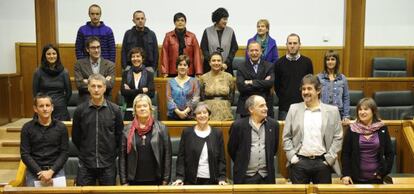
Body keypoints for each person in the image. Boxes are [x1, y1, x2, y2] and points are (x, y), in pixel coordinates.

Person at [283, 74, 342, 184]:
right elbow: (286, 137)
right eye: (303, 89)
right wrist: (292, 157)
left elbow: (338, 137)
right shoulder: (293, 109)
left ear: (318, 90)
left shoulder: (332, 111)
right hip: (299, 162)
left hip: (322, 162)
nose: (305, 92)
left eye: (309, 88)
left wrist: (328, 160)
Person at [72, 74, 124, 186]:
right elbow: (76, 137)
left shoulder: (115, 110)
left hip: (108, 164)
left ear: (105, 88)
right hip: (86, 164)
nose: (96, 89)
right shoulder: (80, 110)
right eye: (93, 86)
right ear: (88, 88)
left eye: (99, 86)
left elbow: (119, 136)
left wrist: (111, 154)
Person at [119, 94, 171, 185]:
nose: (142, 109)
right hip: (133, 180)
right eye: (139, 106)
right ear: (135, 109)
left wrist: (166, 179)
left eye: (145, 106)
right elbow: (122, 157)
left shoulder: (161, 128)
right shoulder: (127, 130)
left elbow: (167, 156)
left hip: (156, 179)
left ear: (150, 108)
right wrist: (123, 181)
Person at [341, 97, 394, 184]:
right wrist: (346, 174)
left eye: (366, 109)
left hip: (377, 179)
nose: (362, 112)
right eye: (360, 109)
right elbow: (345, 154)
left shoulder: (382, 128)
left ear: (373, 111)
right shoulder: (352, 129)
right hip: (355, 179)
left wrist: (383, 173)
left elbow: (390, 153)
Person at [228, 95, 279, 184]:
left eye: (265, 105)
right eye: (261, 106)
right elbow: (232, 149)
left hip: (266, 177)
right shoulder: (238, 126)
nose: (266, 108)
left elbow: (274, 149)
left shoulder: (274, 125)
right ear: (251, 109)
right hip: (245, 177)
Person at [20, 93, 68, 187]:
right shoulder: (27, 128)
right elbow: (25, 154)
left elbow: (64, 153)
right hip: (35, 172)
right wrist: (40, 172)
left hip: (56, 170)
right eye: (41, 106)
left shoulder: (61, 127)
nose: (45, 109)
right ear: (35, 109)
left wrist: (51, 171)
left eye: (47, 105)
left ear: (52, 107)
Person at [172, 103, 227, 185]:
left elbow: (221, 159)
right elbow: (181, 157)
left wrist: (222, 178)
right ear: (195, 116)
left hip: (213, 181)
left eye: (205, 112)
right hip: (191, 181)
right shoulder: (187, 133)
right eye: (199, 113)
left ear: (209, 115)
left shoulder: (217, 133)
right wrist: (180, 177)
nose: (202, 115)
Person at [274, 33, 313, 120]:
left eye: (295, 43)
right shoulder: (279, 63)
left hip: (304, 105)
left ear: (299, 45)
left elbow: (310, 85)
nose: (292, 46)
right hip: (284, 107)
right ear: (286, 45)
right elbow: (277, 86)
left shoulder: (307, 62)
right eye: (290, 43)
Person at [32, 44, 72, 121]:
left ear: (57, 55)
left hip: (60, 109)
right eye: (48, 54)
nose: (51, 56)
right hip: (44, 108)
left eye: (54, 53)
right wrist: (44, 104)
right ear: (44, 56)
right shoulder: (38, 72)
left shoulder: (64, 72)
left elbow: (68, 92)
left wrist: (61, 103)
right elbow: (35, 93)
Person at [236, 41, 274, 118]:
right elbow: (241, 87)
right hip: (246, 107)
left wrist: (251, 82)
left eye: (256, 50)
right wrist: (263, 83)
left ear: (261, 52)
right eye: (251, 50)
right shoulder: (241, 67)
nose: (254, 53)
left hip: (265, 105)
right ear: (248, 52)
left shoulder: (269, 66)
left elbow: (269, 83)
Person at [74, 36, 115, 103]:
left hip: (105, 103)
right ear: (87, 49)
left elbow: (110, 85)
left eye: (98, 47)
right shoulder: (79, 64)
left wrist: (88, 82)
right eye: (93, 48)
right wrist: (104, 80)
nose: (96, 50)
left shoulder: (110, 65)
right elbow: (80, 85)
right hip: (86, 102)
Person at [160, 12, 202, 77]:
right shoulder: (168, 36)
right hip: (173, 70)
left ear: (185, 22)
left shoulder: (192, 36)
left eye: (182, 20)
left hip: (189, 71)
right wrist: (164, 71)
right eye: (177, 20)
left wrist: (198, 72)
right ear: (174, 23)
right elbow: (164, 54)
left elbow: (197, 54)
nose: (180, 22)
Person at [200, 7, 238, 75]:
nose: (226, 21)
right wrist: (212, 62)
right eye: (224, 19)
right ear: (217, 19)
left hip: (226, 67)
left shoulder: (230, 31)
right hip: (209, 67)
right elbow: (204, 48)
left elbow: (234, 48)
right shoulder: (207, 31)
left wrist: (226, 63)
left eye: (227, 19)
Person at [121, 47, 155, 121]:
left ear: (142, 58)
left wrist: (131, 91)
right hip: (130, 110)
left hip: (144, 110)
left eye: (138, 56)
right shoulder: (126, 74)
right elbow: (124, 92)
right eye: (133, 56)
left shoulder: (149, 74)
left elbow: (151, 93)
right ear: (130, 59)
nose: (135, 59)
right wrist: (142, 90)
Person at [199, 52, 234, 121]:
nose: (216, 63)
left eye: (218, 61)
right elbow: (202, 96)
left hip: (225, 110)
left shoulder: (229, 77)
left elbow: (231, 95)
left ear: (222, 63)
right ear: (209, 63)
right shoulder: (203, 77)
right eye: (213, 60)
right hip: (208, 111)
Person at [317, 50, 350, 123]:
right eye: (328, 59)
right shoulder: (319, 78)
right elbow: (315, 97)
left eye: (333, 59)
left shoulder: (342, 78)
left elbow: (346, 98)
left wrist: (346, 115)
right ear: (325, 62)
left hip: (338, 113)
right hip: (322, 113)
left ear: (337, 61)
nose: (330, 62)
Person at [167, 55, 200, 120]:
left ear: (188, 68)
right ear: (176, 67)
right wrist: (179, 112)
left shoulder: (194, 81)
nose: (182, 67)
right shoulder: (170, 82)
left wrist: (185, 111)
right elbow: (169, 99)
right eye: (180, 65)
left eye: (185, 65)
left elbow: (196, 99)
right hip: (174, 116)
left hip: (190, 116)